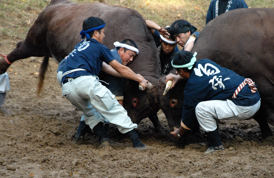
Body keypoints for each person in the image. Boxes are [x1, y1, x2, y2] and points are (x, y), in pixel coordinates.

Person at [60, 16, 149, 150]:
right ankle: (137, 143)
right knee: (113, 107)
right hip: (85, 81)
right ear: (96, 33)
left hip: (66, 86)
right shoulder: (99, 47)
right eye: (102, 32)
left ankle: (104, 140)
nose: (104, 35)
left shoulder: (79, 46)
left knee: (90, 113)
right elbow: (120, 68)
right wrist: (140, 79)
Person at [166, 51, 261, 154]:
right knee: (209, 102)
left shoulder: (192, 88)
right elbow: (202, 77)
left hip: (245, 106)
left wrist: (179, 132)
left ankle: (215, 145)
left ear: (181, 70)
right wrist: (178, 77)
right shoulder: (205, 62)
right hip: (254, 94)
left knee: (201, 108)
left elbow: (188, 119)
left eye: (177, 71)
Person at [72, 39, 140, 143]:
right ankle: (108, 138)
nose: (131, 59)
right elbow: (118, 103)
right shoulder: (115, 62)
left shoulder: (110, 54)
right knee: (108, 106)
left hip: (74, 81)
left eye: (133, 57)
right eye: (130, 55)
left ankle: (79, 137)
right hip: (82, 83)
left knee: (92, 108)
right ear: (121, 50)